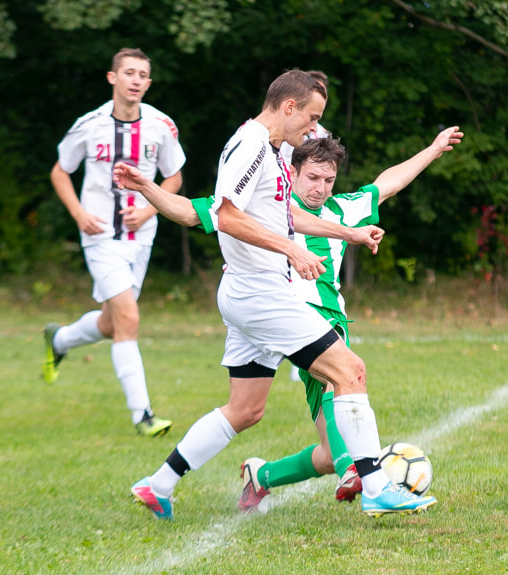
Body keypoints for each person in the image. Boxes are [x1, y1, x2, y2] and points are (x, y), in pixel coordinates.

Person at [124, 68, 437, 519]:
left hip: (245, 291)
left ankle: (159, 485)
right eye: (310, 120)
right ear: (288, 107)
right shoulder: (251, 145)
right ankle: (376, 486)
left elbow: (280, 216)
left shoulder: (269, 152)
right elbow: (226, 216)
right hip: (262, 293)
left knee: (245, 409)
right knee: (349, 370)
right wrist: (292, 251)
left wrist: (347, 234)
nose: (312, 130)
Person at [44, 48, 186, 437]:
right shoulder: (88, 125)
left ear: (149, 83)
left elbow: (174, 177)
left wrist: (149, 210)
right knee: (129, 319)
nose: (136, 80)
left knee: (112, 323)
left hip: (141, 238)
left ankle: (59, 339)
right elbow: (61, 171)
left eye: (143, 74)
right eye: (129, 73)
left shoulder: (161, 125)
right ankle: (143, 415)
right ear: (113, 78)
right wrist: (78, 214)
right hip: (100, 237)